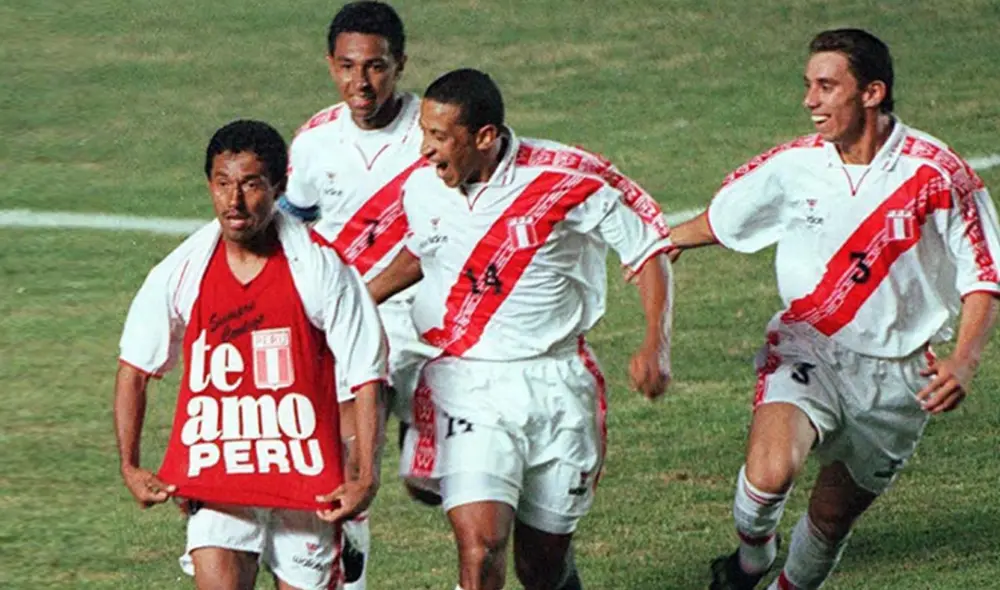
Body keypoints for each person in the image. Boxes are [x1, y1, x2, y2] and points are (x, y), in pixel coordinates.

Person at [668, 29, 1000, 590]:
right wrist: (665, 241)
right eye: (808, 86)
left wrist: (964, 362)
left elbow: (984, 276)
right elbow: (724, 220)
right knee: (770, 477)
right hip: (810, 346)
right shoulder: (796, 163)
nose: (810, 101)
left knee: (829, 518)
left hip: (900, 377)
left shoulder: (937, 174)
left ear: (872, 92)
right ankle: (751, 557)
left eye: (826, 87)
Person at [367, 68, 675, 590]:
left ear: (485, 137)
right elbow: (425, 249)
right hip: (467, 385)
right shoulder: (424, 187)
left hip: (557, 384)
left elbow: (647, 250)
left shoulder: (568, 177)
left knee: (542, 565)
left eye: (439, 137)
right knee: (481, 546)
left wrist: (656, 343)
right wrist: (354, 302)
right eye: (423, 132)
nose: (424, 150)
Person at [114, 119, 387, 590]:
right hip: (223, 474)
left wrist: (364, 477)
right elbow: (134, 369)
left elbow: (367, 375)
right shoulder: (182, 270)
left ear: (279, 187)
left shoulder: (319, 267)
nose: (234, 202)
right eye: (222, 184)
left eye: (250, 185)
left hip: (308, 480)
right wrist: (130, 465)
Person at [277, 2, 438, 587]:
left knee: (430, 485)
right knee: (347, 465)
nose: (360, 83)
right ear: (330, 65)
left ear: (400, 64)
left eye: (375, 67)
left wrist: (358, 296)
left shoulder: (434, 130)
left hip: (432, 319)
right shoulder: (316, 140)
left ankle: (420, 430)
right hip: (350, 326)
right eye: (347, 67)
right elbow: (292, 220)